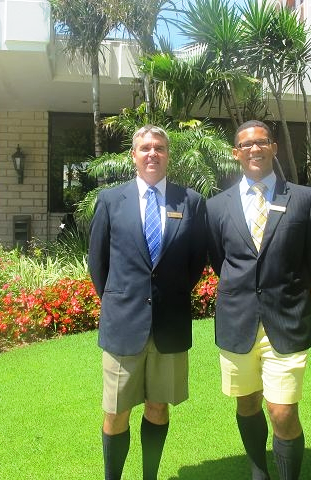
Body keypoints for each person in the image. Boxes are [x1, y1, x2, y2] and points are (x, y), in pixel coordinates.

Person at [206, 120, 311, 480]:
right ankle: (259, 471)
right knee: (247, 403)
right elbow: (219, 260)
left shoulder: (303, 199)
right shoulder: (217, 206)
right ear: (236, 153)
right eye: (246, 144)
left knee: (282, 411)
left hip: (285, 319)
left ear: (274, 147)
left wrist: (285, 290)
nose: (254, 149)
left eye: (261, 142)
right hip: (237, 319)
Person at [88, 125, 207, 480]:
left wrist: (167, 295)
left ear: (168, 154)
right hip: (123, 324)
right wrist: (123, 299)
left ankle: (150, 476)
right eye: (145, 148)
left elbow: (196, 260)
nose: (152, 153)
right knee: (116, 411)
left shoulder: (190, 202)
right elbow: (98, 264)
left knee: (158, 406)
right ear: (133, 156)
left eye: (159, 147)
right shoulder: (111, 201)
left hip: (169, 325)